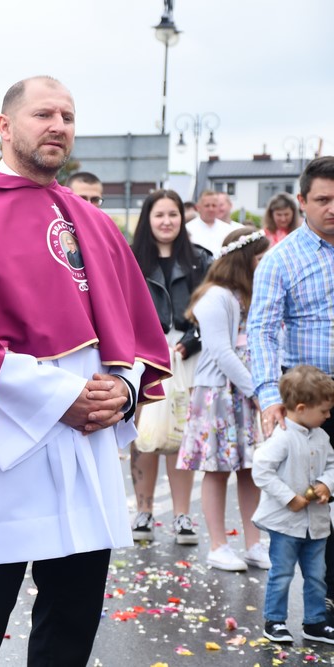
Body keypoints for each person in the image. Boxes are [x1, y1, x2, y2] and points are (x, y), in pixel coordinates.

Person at [0, 76, 170, 667]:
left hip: (88, 443)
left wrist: (125, 390)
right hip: (11, 442)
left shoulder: (95, 221)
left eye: (67, 116)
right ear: (4, 126)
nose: (58, 125)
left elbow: (134, 328)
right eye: (43, 114)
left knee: (73, 617)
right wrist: (61, 397)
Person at [248, 155, 334, 615]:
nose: (332, 208)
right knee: (317, 498)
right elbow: (261, 329)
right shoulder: (281, 259)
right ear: (302, 201)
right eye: (323, 199)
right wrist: (269, 396)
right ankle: (325, 601)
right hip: (310, 402)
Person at [177, 226, 271, 572]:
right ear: (244, 259)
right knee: (216, 469)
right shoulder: (215, 296)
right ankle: (218, 545)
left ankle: (254, 543)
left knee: (249, 469)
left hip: (243, 390)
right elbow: (221, 352)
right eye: (260, 258)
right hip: (219, 393)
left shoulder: (247, 294)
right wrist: (257, 391)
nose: (265, 264)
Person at [128, 189, 213, 544]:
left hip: (186, 355)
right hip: (143, 356)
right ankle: (143, 510)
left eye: (173, 214)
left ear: (183, 217)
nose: (167, 222)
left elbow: (212, 310)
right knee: (142, 434)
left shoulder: (201, 260)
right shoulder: (130, 259)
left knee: (181, 433)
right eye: (159, 215)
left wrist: (192, 340)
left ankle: (181, 515)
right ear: (147, 219)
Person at [252, 365, 334, 645]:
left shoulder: (322, 437)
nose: (328, 416)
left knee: (317, 575)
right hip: (286, 524)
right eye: (324, 411)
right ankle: (274, 620)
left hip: (316, 524)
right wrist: (290, 498)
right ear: (301, 408)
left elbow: (332, 465)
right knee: (282, 573)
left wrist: (326, 484)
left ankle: (315, 622)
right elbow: (262, 470)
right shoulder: (283, 437)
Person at [186, 190, 243, 256]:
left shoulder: (228, 230)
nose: (211, 209)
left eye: (214, 205)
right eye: (207, 206)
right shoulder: (188, 229)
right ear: (198, 208)